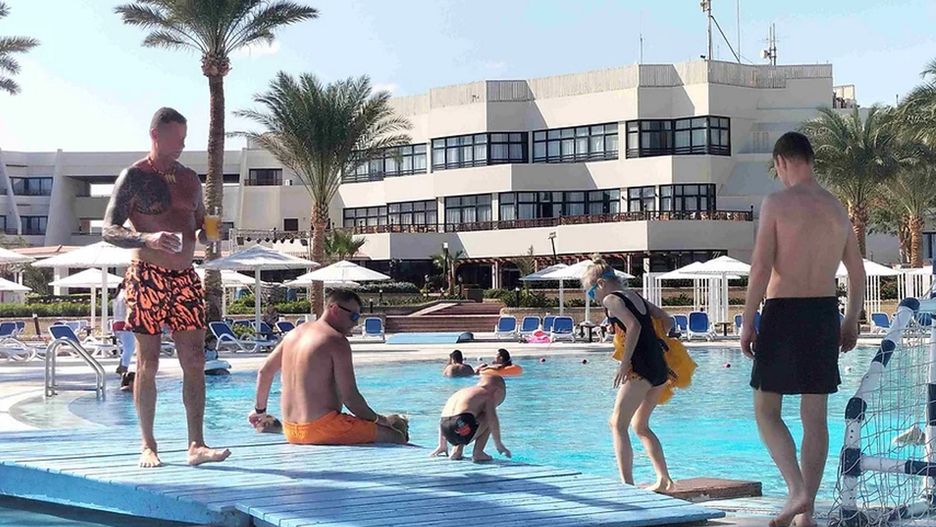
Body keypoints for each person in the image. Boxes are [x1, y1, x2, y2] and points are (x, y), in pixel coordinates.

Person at [740, 131, 865, 527]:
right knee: (815, 417)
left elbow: (761, 266)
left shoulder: (776, 203)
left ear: (781, 162)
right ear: (811, 161)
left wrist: (748, 320)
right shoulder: (836, 208)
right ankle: (805, 516)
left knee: (766, 411)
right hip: (824, 313)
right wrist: (850, 319)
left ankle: (797, 491)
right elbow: (857, 272)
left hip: (783, 312)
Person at [103, 107, 230, 469]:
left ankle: (196, 444)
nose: (182, 145)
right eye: (176, 138)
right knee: (149, 362)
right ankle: (148, 444)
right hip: (147, 275)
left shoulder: (190, 179)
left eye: (184, 138)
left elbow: (201, 227)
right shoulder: (134, 176)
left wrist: (211, 232)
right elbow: (109, 230)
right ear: (156, 135)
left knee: (196, 360)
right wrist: (148, 237)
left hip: (185, 276)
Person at [248, 289, 408, 445]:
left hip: (291, 431)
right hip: (323, 429)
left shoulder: (294, 334)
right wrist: (381, 420)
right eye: (353, 316)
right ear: (335, 309)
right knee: (396, 433)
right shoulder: (336, 341)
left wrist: (260, 412)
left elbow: (265, 371)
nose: (355, 323)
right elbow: (351, 398)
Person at [582, 255, 676, 493]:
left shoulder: (611, 299)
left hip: (640, 369)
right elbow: (667, 319)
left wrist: (624, 363)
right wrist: (656, 343)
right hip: (659, 368)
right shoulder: (634, 295)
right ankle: (664, 480)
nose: (593, 298)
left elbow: (633, 326)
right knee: (641, 426)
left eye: (591, 293)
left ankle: (626, 485)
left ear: (601, 284)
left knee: (617, 424)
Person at [429, 375, 511, 462]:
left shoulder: (462, 392)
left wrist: (442, 445)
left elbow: (445, 418)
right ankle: (478, 452)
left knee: (463, 418)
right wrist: (499, 444)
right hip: (463, 429)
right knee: (488, 416)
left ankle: (456, 451)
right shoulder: (487, 395)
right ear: (497, 391)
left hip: (446, 430)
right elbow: (492, 420)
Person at [112, 281, 135, 377]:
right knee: (129, 348)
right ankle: (124, 368)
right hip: (124, 324)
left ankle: (121, 366)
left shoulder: (117, 296)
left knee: (126, 347)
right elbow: (130, 309)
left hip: (116, 324)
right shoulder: (126, 295)